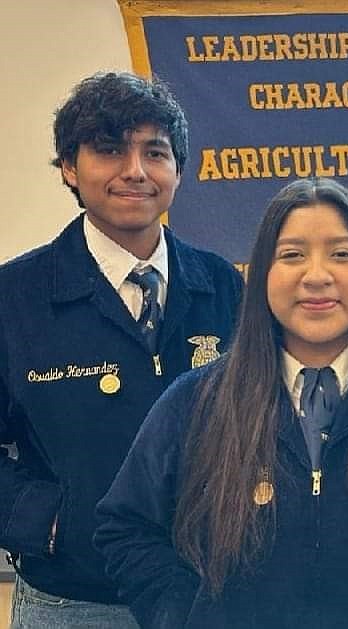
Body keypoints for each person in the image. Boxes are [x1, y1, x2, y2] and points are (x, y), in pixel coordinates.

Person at [95, 178, 348, 628]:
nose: (317, 276)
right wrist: (184, 616)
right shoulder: (195, 402)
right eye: (292, 254)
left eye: (342, 254)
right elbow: (126, 528)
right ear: (263, 275)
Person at [0, 71, 241, 628]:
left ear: (178, 171)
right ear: (69, 166)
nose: (134, 171)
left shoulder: (224, 287)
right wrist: (47, 519)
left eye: (154, 152)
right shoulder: (14, 298)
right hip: (73, 603)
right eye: (109, 150)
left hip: (209, 597)